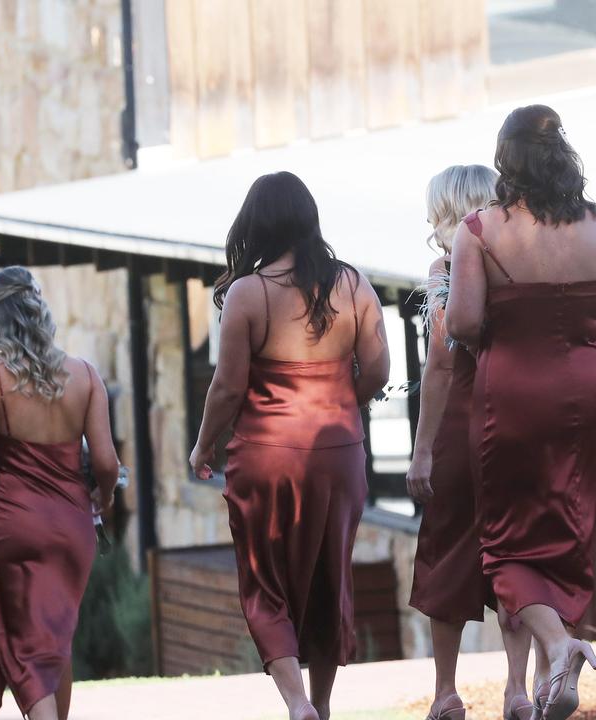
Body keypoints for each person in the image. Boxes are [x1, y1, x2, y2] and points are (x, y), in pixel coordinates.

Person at [447, 105, 596, 720]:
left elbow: (464, 322)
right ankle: (557, 658)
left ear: (506, 160)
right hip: (591, 383)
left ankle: (556, 644)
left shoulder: (479, 230)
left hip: (516, 387)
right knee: (568, 525)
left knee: (503, 540)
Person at [190, 172, 390, 720]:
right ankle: (321, 706)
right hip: (339, 450)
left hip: (266, 454)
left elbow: (228, 386)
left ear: (256, 225)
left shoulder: (248, 294)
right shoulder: (353, 285)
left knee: (265, 580)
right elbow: (378, 366)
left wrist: (204, 446)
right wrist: (345, 404)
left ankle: (296, 702)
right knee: (330, 577)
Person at [0, 266, 120, 720]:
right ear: (38, 309)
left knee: (24, 644)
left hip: (14, 523)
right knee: (55, 638)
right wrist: (102, 500)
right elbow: (107, 462)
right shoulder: (85, 374)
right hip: (72, 530)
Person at [407, 165, 536, 720]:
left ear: (445, 212)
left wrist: (421, 450)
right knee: (516, 549)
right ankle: (516, 688)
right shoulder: (523, 263)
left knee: (446, 551)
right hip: (515, 420)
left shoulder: (446, 268)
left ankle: (446, 691)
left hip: (462, 423)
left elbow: (439, 364)